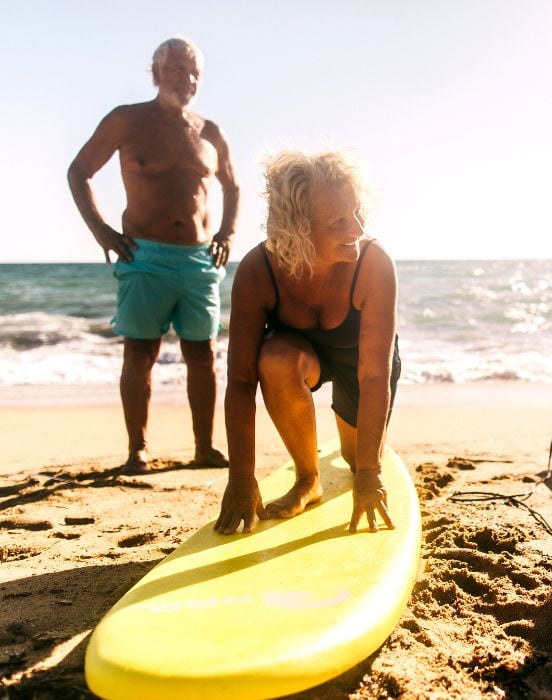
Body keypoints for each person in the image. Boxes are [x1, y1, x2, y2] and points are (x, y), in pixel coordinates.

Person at [67, 37, 238, 474]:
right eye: (180, 68)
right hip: (145, 256)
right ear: (156, 71)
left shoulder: (210, 132)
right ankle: (137, 451)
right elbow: (79, 171)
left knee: (202, 354)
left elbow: (232, 187)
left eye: (196, 70)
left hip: (200, 261)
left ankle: (205, 448)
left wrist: (227, 234)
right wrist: (102, 231)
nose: (189, 78)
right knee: (140, 352)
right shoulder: (127, 120)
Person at [214, 150, 401, 536]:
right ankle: (307, 479)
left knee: (355, 461)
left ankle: (351, 451)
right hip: (299, 359)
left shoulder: (373, 263)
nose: (356, 230)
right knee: (274, 358)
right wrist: (241, 478)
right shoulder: (258, 272)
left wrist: (369, 475)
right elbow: (242, 381)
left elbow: (373, 374)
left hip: (361, 363)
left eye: (357, 215)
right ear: (296, 228)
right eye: (338, 222)